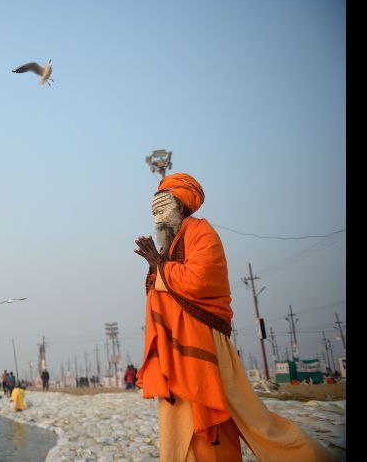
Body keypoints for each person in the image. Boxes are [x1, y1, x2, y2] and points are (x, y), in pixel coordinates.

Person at [134, 172, 335, 462]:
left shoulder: (202, 232)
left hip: (206, 343)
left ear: (181, 206)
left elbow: (200, 281)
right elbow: (161, 289)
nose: (158, 218)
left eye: (162, 208)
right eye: (155, 213)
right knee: (181, 425)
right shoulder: (171, 244)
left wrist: (159, 265)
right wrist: (157, 264)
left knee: (246, 418)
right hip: (176, 351)